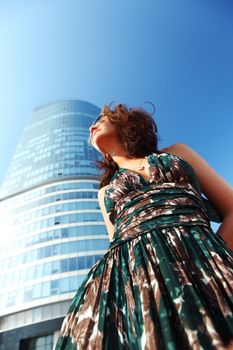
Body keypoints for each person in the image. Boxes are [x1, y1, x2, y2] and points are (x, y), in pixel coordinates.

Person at [55, 103, 233, 350]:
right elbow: (115, 246)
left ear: (123, 121)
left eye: (101, 118)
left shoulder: (176, 153)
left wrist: (210, 256)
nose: (91, 126)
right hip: (139, 279)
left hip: (203, 260)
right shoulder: (105, 192)